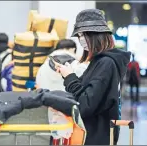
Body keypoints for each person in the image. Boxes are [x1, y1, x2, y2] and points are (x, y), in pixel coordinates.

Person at [56, 9, 131, 145]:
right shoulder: (98, 62)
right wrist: (67, 75)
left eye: (83, 35)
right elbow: (86, 94)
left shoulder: (106, 64)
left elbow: (85, 104)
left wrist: (70, 77)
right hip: (88, 134)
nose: (81, 40)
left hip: (96, 138)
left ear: (95, 36)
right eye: (79, 36)